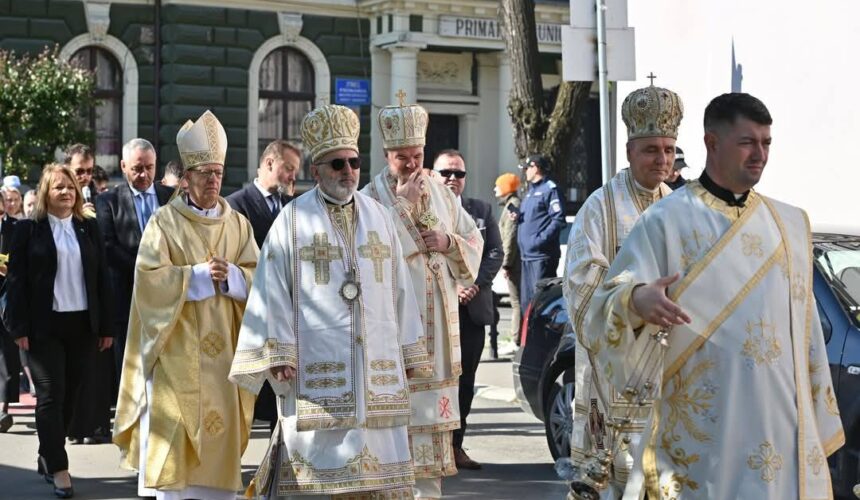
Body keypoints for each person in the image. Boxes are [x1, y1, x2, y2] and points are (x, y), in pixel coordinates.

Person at [584, 93, 844, 499]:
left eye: (766, 143)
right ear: (711, 143)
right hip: (704, 434)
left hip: (779, 428)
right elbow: (601, 309)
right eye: (747, 142)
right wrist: (636, 302)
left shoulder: (789, 224)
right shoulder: (665, 221)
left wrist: (813, 415)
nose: (760, 154)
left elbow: (805, 332)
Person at [230, 103, 428, 499]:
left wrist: (409, 353)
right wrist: (279, 351)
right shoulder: (293, 219)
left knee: (377, 475)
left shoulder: (380, 217)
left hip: (376, 368)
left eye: (353, 163)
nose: (348, 172)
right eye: (337, 164)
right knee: (318, 477)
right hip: (315, 369)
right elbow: (272, 288)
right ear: (316, 170)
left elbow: (400, 290)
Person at [112, 110, 259, 499]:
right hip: (176, 357)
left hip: (225, 358)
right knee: (177, 455)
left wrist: (232, 278)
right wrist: (194, 276)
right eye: (205, 173)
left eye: (218, 173)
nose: (213, 180)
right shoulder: (163, 223)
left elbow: (260, 278)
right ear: (187, 176)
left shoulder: (238, 225)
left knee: (220, 452)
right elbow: (147, 282)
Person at [562, 84, 681, 497]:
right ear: (629, 151)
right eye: (651, 149)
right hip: (612, 377)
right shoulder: (600, 206)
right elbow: (579, 285)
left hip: (666, 374)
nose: (662, 159)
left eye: (668, 149)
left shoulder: (680, 208)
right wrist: (633, 301)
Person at [362, 93, 483, 499]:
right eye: (402, 157)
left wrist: (448, 240)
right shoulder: (369, 198)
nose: (412, 164)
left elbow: (473, 237)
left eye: (416, 154)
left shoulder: (442, 190)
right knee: (391, 444)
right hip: (393, 340)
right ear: (385, 154)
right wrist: (403, 206)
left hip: (438, 343)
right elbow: (367, 255)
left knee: (430, 452)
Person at [6, 163, 114, 498]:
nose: (66, 192)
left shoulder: (88, 227)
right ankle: (59, 468)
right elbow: (16, 281)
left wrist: (106, 325)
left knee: (73, 394)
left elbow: (101, 279)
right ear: (45, 193)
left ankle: (47, 450)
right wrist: (18, 327)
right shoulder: (29, 230)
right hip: (44, 327)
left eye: (70, 187)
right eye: (58, 187)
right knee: (51, 395)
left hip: (82, 324)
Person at [434, 150, 503, 471]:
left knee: (465, 381)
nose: (452, 179)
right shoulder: (425, 210)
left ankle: (456, 445)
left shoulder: (481, 210)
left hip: (471, 310)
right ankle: (431, 445)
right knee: (435, 379)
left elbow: (494, 252)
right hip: (435, 310)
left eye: (459, 174)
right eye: (446, 172)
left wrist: (473, 283)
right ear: (433, 174)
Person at [226, 139, 299, 433]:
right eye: (289, 169)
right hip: (253, 315)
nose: (294, 176)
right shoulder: (236, 205)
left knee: (283, 397)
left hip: (288, 315)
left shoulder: (295, 205)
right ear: (269, 163)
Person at [95, 139, 173, 386]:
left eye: (149, 167)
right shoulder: (108, 201)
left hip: (166, 300)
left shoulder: (171, 198)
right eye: (137, 168)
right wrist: (145, 271)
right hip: (126, 298)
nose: (144, 174)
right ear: (123, 166)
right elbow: (107, 247)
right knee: (129, 376)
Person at [514, 154, 565, 312]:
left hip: (541, 257)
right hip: (526, 256)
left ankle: (540, 337)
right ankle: (528, 337)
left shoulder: (550, 189)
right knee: (526, 304)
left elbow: (558, 220)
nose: (525, 172)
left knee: (540, 303)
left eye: (527, 168)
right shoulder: (529, 192)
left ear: (535, 167)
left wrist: (538, 241)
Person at [494, 173, 522, 343]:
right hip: (513, 261)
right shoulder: (510, 205)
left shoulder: (513, 206)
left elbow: (510, 235)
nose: (495, 188)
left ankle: (516, 339)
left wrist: (506, 264)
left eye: (498, 185)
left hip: (515, 262)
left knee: (516, 302)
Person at [0, 192, 18, 433]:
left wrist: (8, 269)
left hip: (7, 296)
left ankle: (4, 408)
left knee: (6, 352)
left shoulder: (17, 227)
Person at [64, 144, 97, 215]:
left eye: (89, 171)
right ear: (67, 170)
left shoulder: (99, 198)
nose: (85, 176)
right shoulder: (59, 196)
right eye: (79, 171)